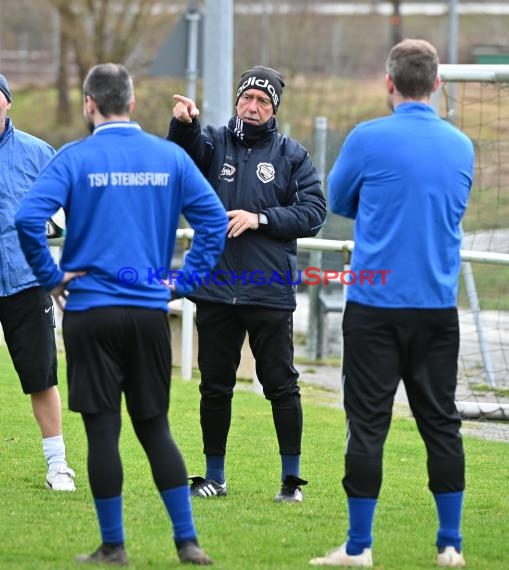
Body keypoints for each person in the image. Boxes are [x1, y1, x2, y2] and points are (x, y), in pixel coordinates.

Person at [16, 63, 228, 566]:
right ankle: (187, 542)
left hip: (90, 312)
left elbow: (27, 218)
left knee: (102, 431)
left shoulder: (74, 157)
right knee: (155, 428)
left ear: (89, 104)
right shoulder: (169, 156)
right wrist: (185, 282)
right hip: (148, 313)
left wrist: (51, 277)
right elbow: (214, 221)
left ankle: (114, 546)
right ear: (132, 103)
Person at [310, 39, 474, 567]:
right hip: (436, 309)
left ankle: (359, 548)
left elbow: (339, 202)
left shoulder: (366, 138)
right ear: (438, 84)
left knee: (368, 425)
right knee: (441, 424)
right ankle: (450, 546)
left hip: (375, 306)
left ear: (389, 83)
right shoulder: (462, 145)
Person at [167, 65, 327, 503]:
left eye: (262, 101)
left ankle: (291, 482)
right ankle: (214, 477)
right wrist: (185, 127)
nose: (252, 107)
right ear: (237, 101)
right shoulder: (214, 142)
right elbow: (182, 160)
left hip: (268, 290)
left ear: (274, 107)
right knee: (214, 386)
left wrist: (261, 219)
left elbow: (314, 211)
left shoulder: (291, 155)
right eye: (246, 99)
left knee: (281, 385)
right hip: (216, 289)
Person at [0, 72, 75, 492]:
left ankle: (57, 465)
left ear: (8, 102)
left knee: (41, 377)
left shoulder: (37, 152)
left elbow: (66, 209)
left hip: (27, 282)